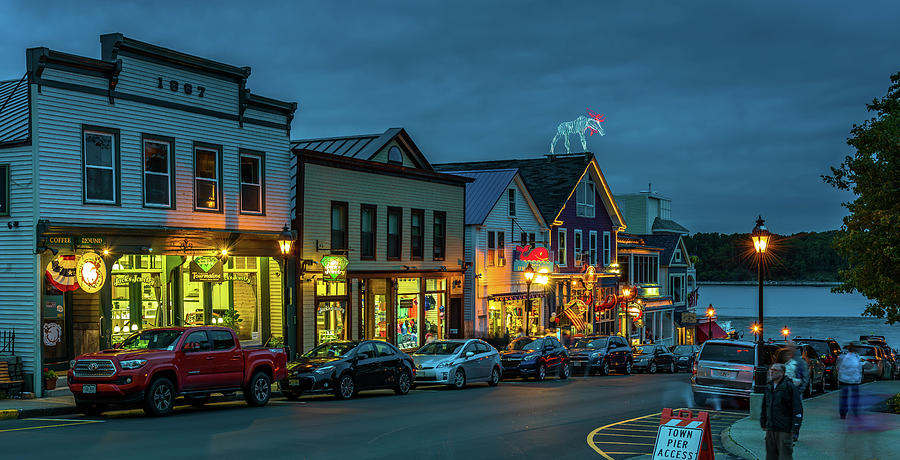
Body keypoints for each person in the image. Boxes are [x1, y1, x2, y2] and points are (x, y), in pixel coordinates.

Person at [760, 363, 803, 460]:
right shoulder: (769, 387)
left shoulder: (789, 387)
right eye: (771, 369)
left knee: (785, 456)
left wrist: (795, 429)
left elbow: (797, 409)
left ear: (782, 373)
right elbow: (764, 407)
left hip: (784, 429)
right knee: (770, 456)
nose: (772, 372)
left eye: (775, 370)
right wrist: (763, 422)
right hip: (771, 428)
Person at [837, 342, 863, 420]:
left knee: (844, 398)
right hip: (854, 381)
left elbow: (838, 366)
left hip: (844, 380)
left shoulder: (842, 357)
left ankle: (843, 414)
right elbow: (859, 367)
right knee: (854, 398)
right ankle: (855, 413)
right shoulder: (857, 357)